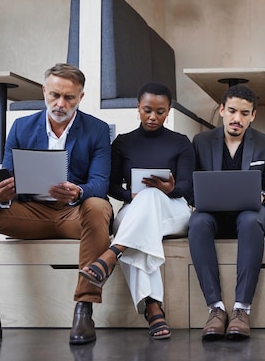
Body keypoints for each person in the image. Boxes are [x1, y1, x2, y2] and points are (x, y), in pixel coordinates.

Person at [0, 63, 113, 344]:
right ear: (44, 91)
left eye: (69, 98)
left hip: (75, 214)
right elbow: (8, 175)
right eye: (54, 95)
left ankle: (84, 309)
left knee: (97, 206)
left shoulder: (97, 130)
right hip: (30, 212)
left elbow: (100, 183)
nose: (60, 104)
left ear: (81, 97)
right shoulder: (21, 127)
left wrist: (77, 192)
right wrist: (2, 195)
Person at [79, 82, 195, 339]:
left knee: (151, 196)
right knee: (143, 223)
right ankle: (153, 308)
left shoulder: (181, 143)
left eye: (160, 111)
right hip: (134, 209)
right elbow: (109, 185)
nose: (153, 117)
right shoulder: (122, 143)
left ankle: (113, 253)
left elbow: (188, 187)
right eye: (147, 110)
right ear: (138, 108)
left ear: (168, 112)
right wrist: (129, 195)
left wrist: (170, 189)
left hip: (173, 210)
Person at [188, 85, 265, 341]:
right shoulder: (201, 142)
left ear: (253, 116)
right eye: (231, 111)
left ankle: (241, 309)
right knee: (197, 223)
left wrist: (262, 197)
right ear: (221, 110)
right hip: (214, 214)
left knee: (251, 220)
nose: (236, 118)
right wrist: (202, 199)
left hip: (250, 213)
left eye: (244, 113)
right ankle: (215, 308)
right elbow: (192, 188)